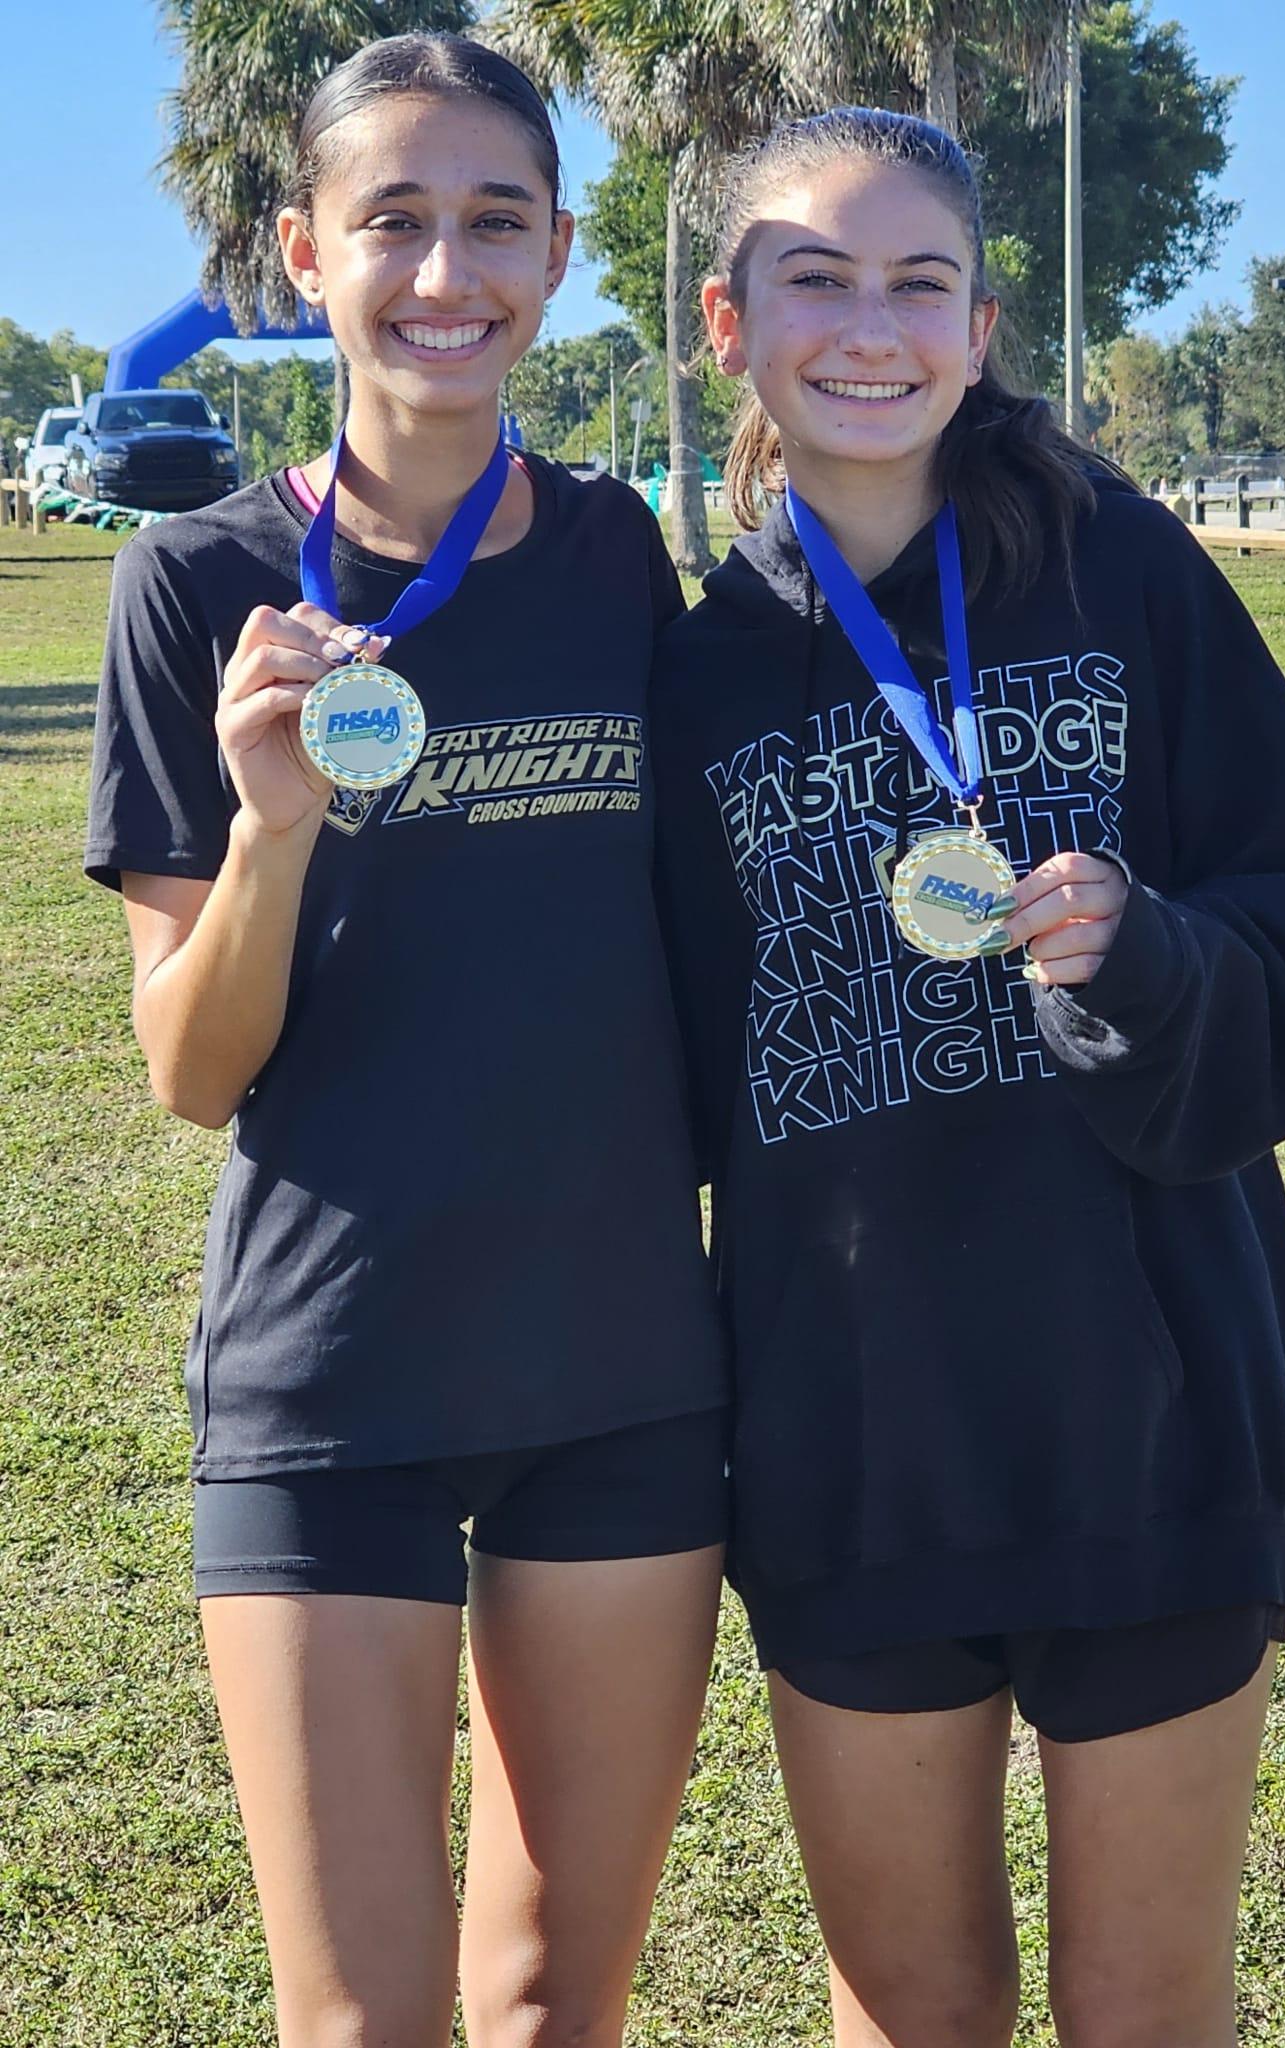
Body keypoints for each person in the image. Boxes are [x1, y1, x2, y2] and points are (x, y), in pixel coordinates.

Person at [652, 107, 1285, 2048]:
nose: (870, 326)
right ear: (732, 324)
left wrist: (1145, 953)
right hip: (856, 1445)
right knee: (911, 2010)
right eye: (816, 277)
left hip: (1153, 1414)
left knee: (1147, 2007)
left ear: (982, 328)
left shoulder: (1127, 574)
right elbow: (656, 1062)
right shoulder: (702, 672)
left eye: (921, 282)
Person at [84, 34, 726, 2048]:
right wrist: (273, 830)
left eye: (497, 223)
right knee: (367, 2024)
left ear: (553, 263)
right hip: (329, 1374)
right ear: (301, 253)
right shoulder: (193, 585)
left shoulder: (623, 554)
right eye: (396, 220)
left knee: (555, 2005)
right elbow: (192, 1067)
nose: (447, 272)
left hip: (619, 1370)